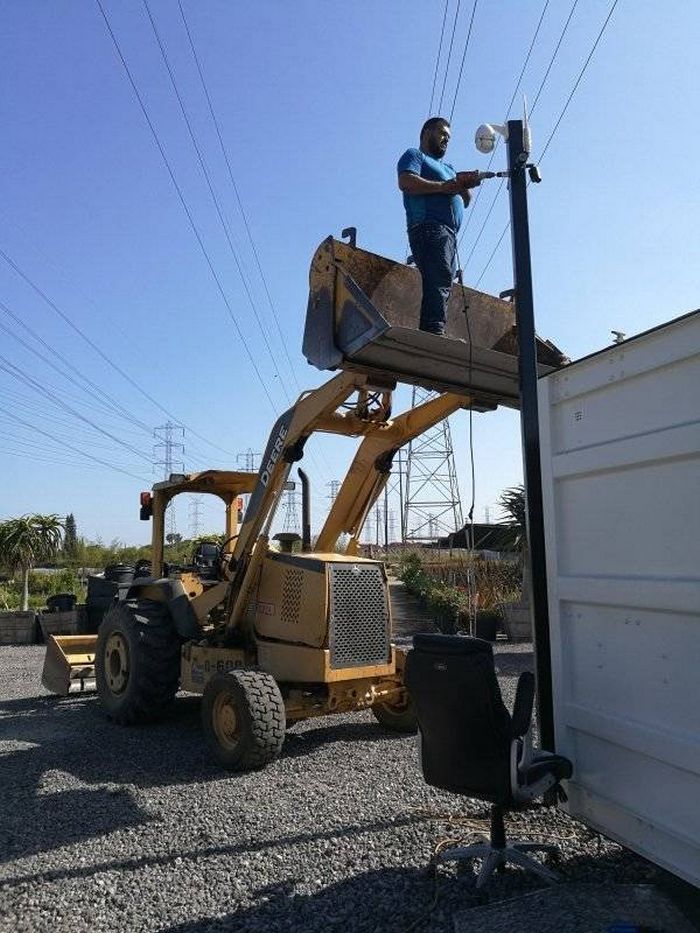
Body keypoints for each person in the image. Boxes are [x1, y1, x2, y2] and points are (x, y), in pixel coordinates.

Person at [397, 117, 481, 335]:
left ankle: (435, 327)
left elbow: (467, 200)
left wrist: (463, 183)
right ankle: (433, 329)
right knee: (439, 275)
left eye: (449, 137)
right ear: (426, 133)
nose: (446, 140)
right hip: (428, 227)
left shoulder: (449, 168)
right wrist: (445, 187)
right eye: (442, 133)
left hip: (448, 233)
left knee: (444, 279)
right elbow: (406, 182)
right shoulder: (415, 155)